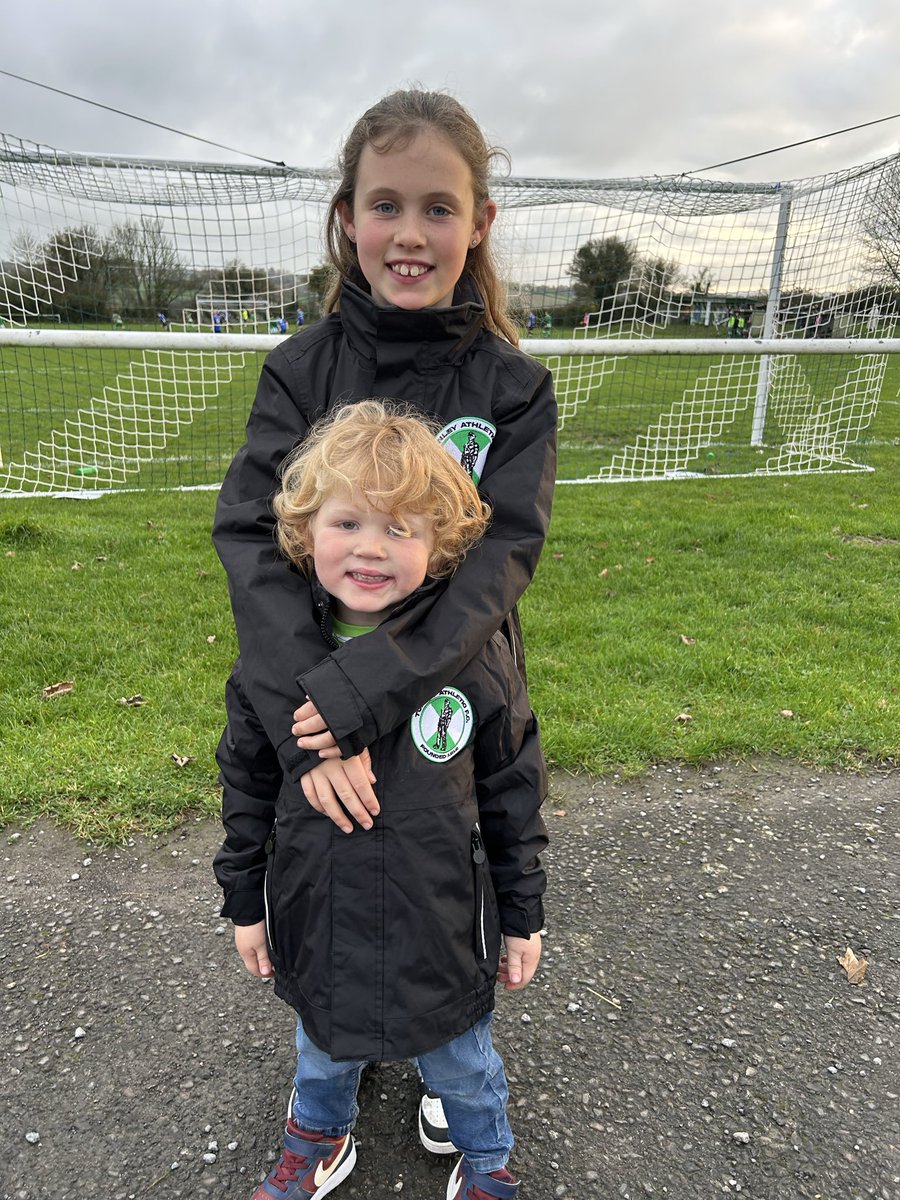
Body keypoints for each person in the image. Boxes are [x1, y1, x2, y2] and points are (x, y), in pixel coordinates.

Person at [212, 88, 557, 1191]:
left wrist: (374, 686)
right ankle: (339, 1063)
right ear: (348, 217)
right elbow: (253, 545)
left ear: (480, 224)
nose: (411, 233)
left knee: (432, 869)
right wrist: (317, 727)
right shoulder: (299, 370)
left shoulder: (514, 389)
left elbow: (497, 565)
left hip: (445, 686)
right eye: (386, 205)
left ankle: (458, 1085)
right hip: (305, 706)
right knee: (330, 880)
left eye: (438, 208)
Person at [214, 400, 548, 1199]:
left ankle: (487, 1156)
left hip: (438, 916)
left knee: (461, 1061)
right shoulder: (274, 664)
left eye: (401, 529)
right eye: (349, 522)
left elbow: (511, 789)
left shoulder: (470, 660)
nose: (371, 547)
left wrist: (523, 913)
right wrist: (245, 903)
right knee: (322, 1050)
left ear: (441, 550)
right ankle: (320, 1140)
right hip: (317, 910)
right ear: (302, 530)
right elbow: (247, 785)